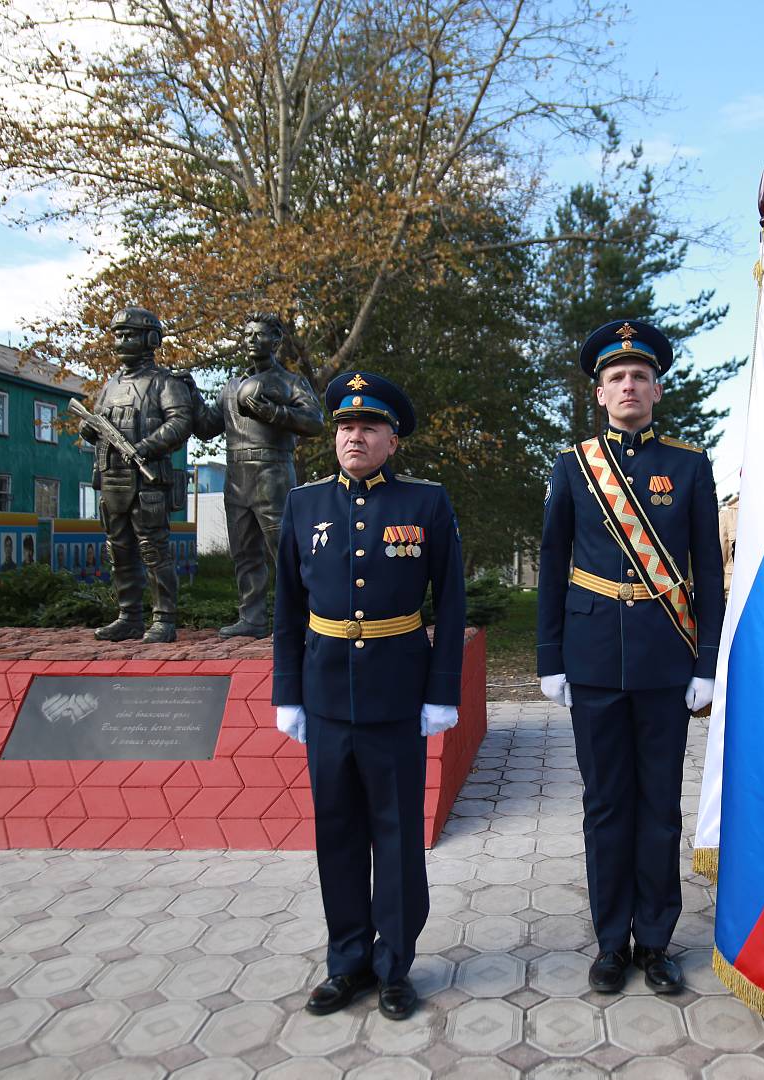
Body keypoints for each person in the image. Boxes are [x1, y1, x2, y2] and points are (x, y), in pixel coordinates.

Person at [536, 319, 725, 996]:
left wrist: (706, 663)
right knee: (606, 805)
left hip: (666, 658)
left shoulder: (690, 466)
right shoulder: (573, 465)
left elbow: (709, 570)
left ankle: (657, 941)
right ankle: (611, 941)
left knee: (660, 809)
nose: (628, 387)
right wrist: (550, 657)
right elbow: (552, 562)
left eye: (640, 376)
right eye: (616, 378)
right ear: (599, 393)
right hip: (591, 659)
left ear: (657, 390)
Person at [272, 371, 465, 1023]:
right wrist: (287, 693)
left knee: (398, 837)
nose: (354, 436)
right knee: (338, 834)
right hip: (325, 697)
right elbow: (286, 607)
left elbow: (451, 600)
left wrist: (442, 691)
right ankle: (347, 962)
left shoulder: (426, 504)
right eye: (346, 427)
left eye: (369, 427)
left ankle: (395, 966)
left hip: (396, 696)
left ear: (393, 441)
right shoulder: (303, 505)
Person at [198, 314, 324, 637]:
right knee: (244, 552)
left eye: (259, 334)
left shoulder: (290, 382)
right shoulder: (231, 386)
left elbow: (315, 421)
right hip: (236, 476)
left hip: (273, 473)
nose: (251, 340)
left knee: (284, 550)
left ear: (276, 341)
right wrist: (190, 396)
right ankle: (252, 618)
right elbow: (208, 426)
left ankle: (302, 618)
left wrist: (274, 413)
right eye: (247, 334)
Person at [79, 306, 194, 643]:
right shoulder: (110, 385)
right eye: (118, 335)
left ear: (151, 339)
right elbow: (97, 423)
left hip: (148, 481)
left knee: (154, 551)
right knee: (118, 551)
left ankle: (164, 619)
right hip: (111, 480)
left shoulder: (165, 383)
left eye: (128, 334)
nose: (121, 341)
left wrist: (146, 446)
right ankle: (128, 616)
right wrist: (88, 430)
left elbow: (181, 422)